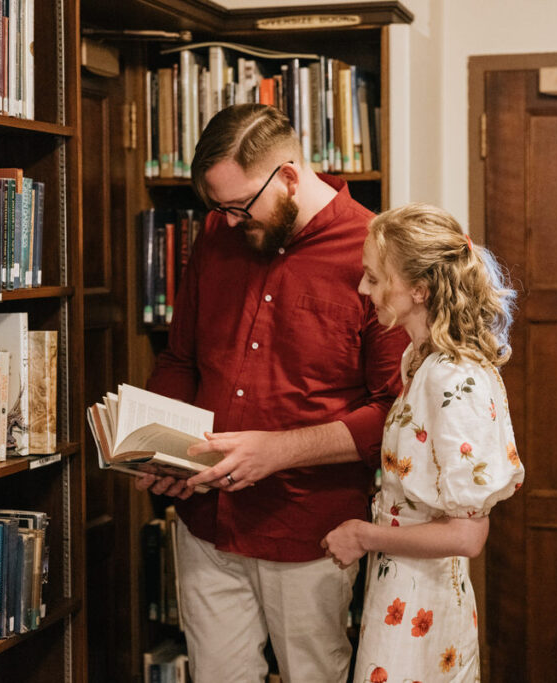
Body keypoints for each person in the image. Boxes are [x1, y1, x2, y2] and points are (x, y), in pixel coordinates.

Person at [138, 103, 409, 683]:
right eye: (219, 208)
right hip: (205, 521)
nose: (230, 222)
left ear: (288, 175)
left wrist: (279, 451)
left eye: (240, 206)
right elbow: (181, 357)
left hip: (306, 528)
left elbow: (395, 413)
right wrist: (160, 444)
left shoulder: (373, 252)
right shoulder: (217, 234)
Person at [321, 203, 524, 683]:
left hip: (426, 597)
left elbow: (467, 535)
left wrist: (364, 535)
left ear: (418, 289)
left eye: (374, 278)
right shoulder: (418, 359)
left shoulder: (455, 379)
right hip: (401, 587)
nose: (362, 289)